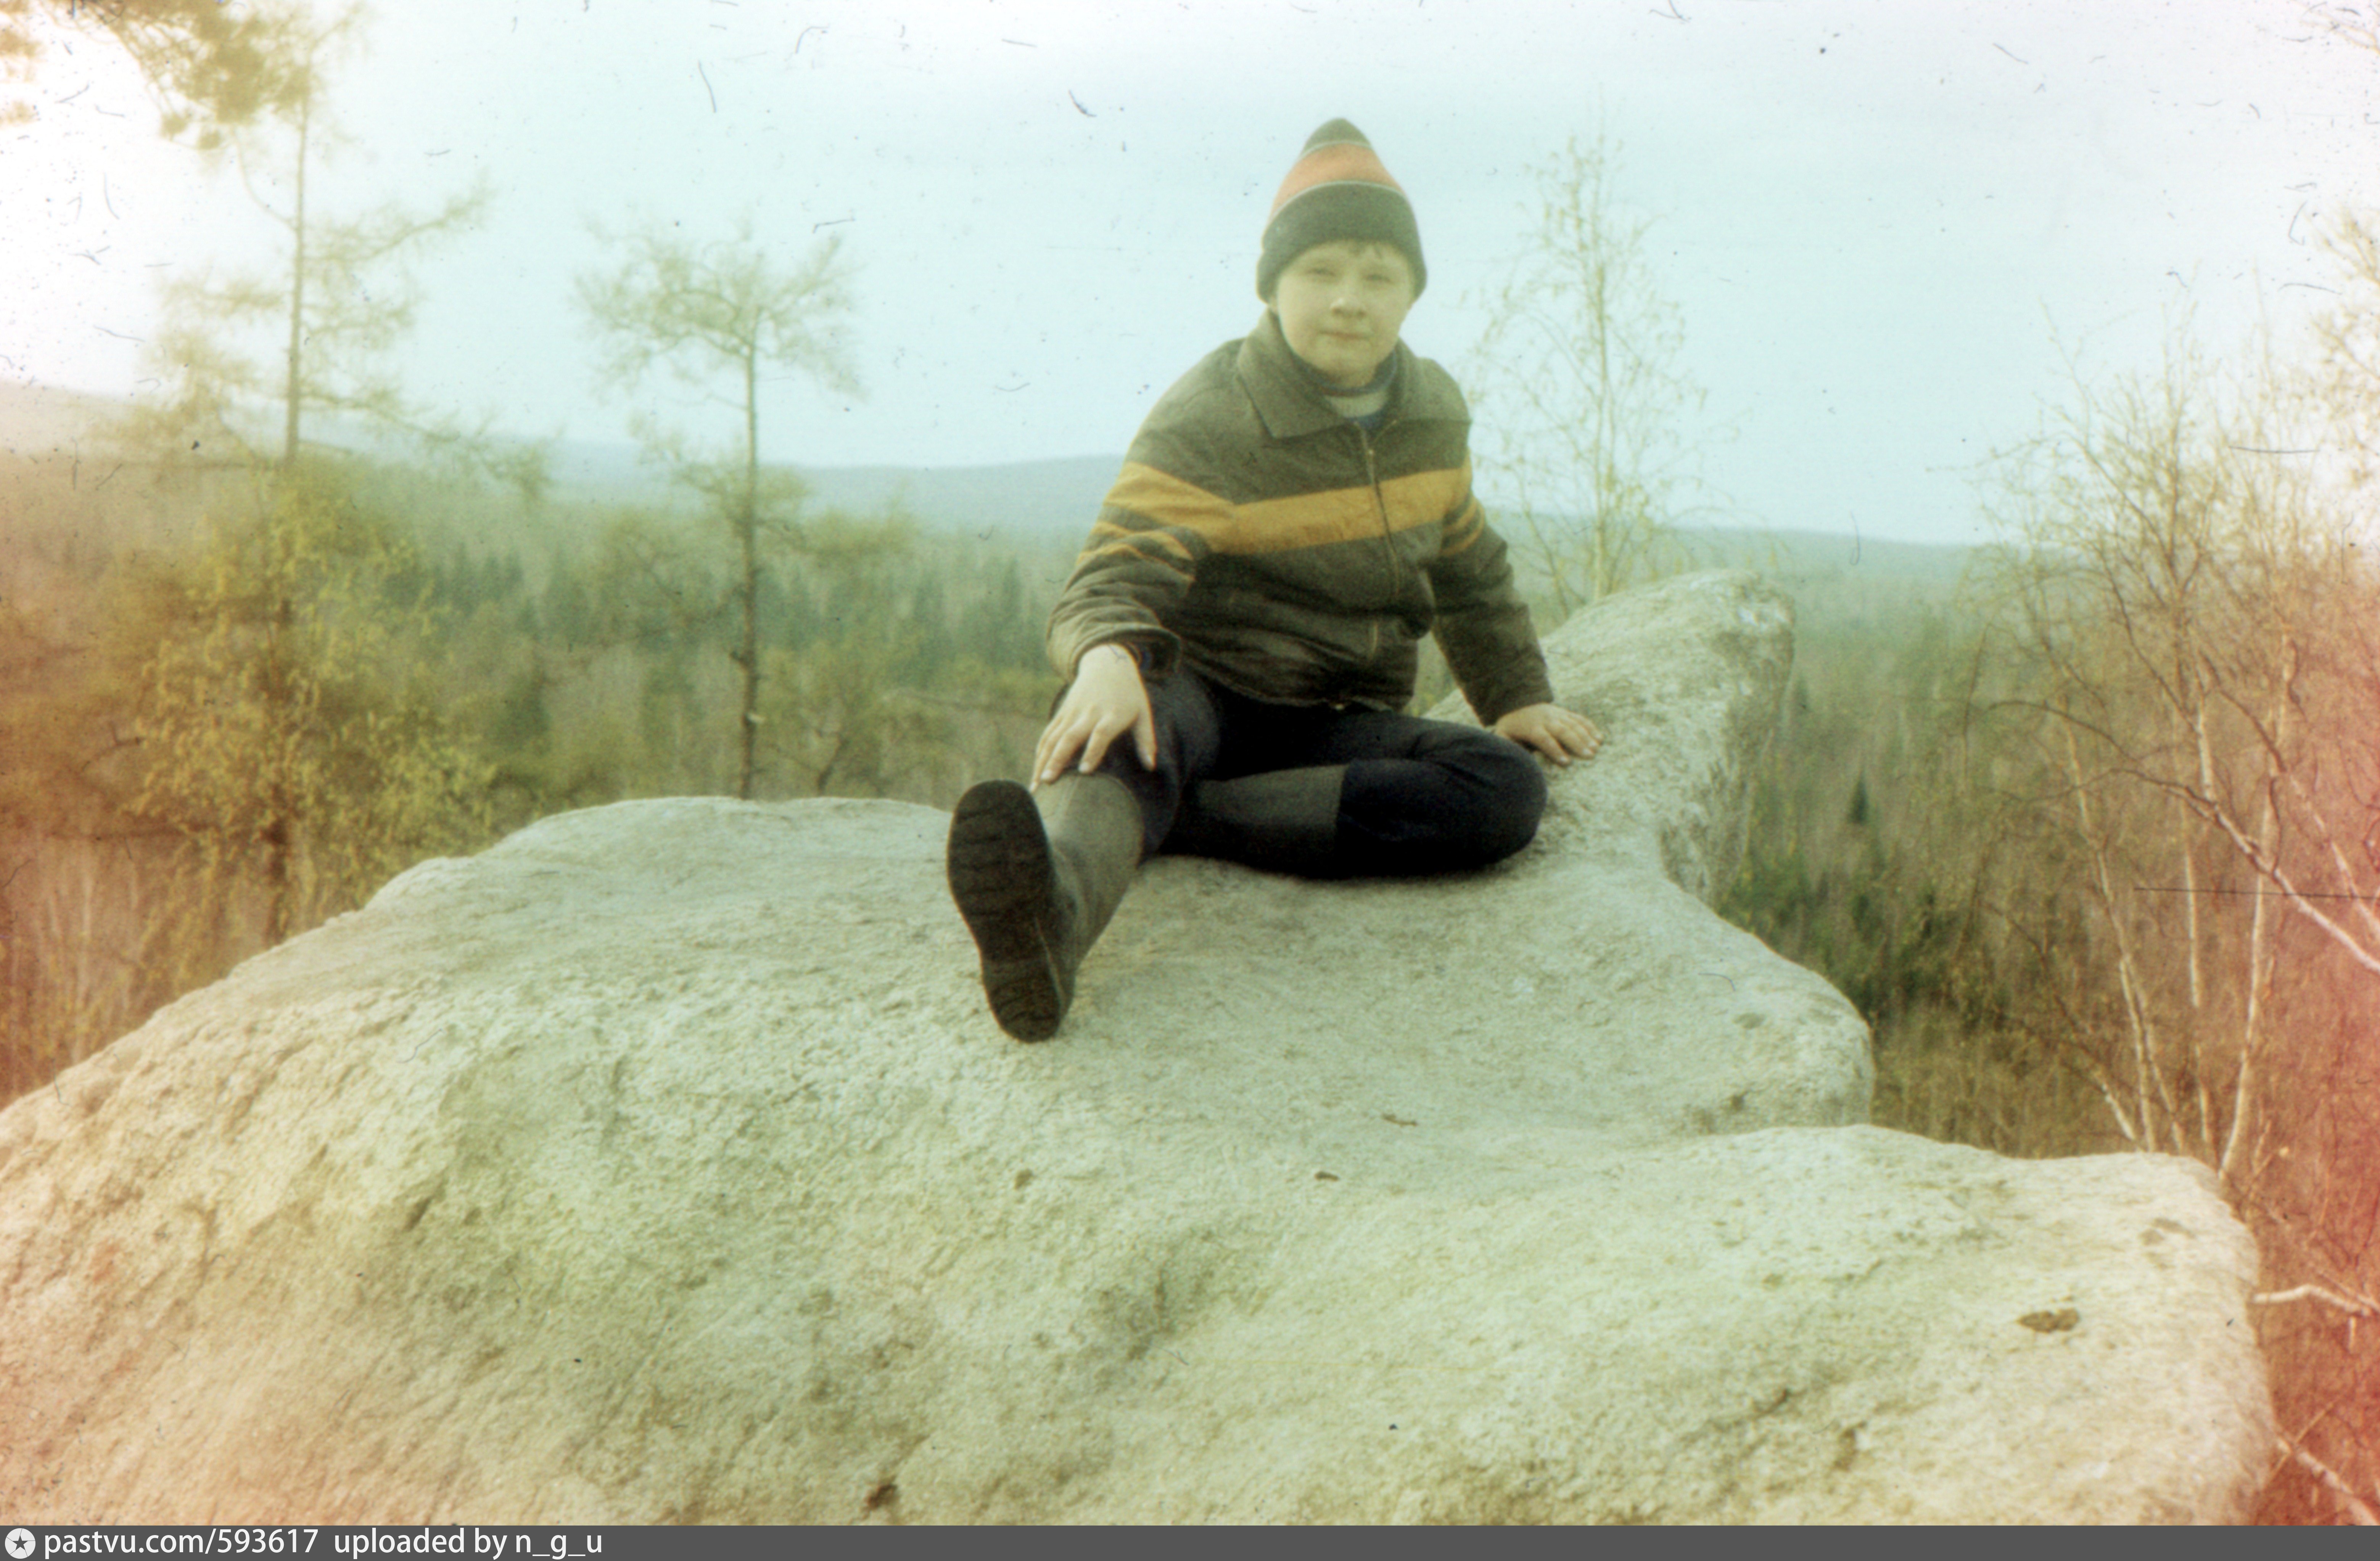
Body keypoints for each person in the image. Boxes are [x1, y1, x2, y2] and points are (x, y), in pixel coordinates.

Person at [946, 119, 1603, 1042]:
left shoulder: (1433, 413)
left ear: (1412, 293)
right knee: (1119, 734)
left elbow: (1470, 569)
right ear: (1274, 285)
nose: (1349, 300)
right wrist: (1104, 657)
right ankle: (1048, 922)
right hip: (1206, 694)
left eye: (1380, 276)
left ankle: (1180, 819)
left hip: (1335, 725)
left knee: (1502, 790)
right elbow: (1119, 563)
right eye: (1321, 272)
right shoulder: (1214, 413)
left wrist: (1517, 697)